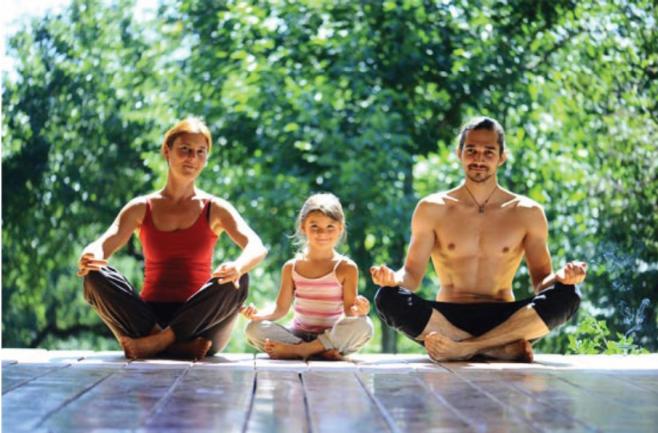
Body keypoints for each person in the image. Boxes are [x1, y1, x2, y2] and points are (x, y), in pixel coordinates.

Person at [370, 116, 587, 362]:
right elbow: (410, 277)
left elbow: (541, 285)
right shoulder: (432, 208)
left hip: (506, 318)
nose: (479, 159)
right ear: (459, 153)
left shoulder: (527, 212)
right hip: (446, 318)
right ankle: (495, 349)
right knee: (387, 297)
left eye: (488, 152)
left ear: (502, 156)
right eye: (471, 150)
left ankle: (463, 348)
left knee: (568, 295)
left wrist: (562, 277)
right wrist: (391, 279)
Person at [77, 117, 267, 360]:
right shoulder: (141, 207)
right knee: (94, 274)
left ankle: (160, 342)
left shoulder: (215, 208)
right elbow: (105, 243)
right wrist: (91, 253)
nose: (192, 158)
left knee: (238, 279)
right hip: (146, 319)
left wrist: (237, 267)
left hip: (201, 323)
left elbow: (256, 247)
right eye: (185, 150)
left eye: (200, 152)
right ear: (167, 151)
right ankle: (169, 343)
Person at [241, 193, 373, 360]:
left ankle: (302, 351)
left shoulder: (346, 268)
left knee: (364, 325)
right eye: (315, 226)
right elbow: (279, 309)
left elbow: (349, 311)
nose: (322, 233)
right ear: (303, 227)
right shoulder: (291, 267)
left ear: (340, 228)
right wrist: (258, 316)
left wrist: (360, 311)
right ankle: (315, 351)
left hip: (332, 335)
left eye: (330, 227)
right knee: (253, 329)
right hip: (297, 335)